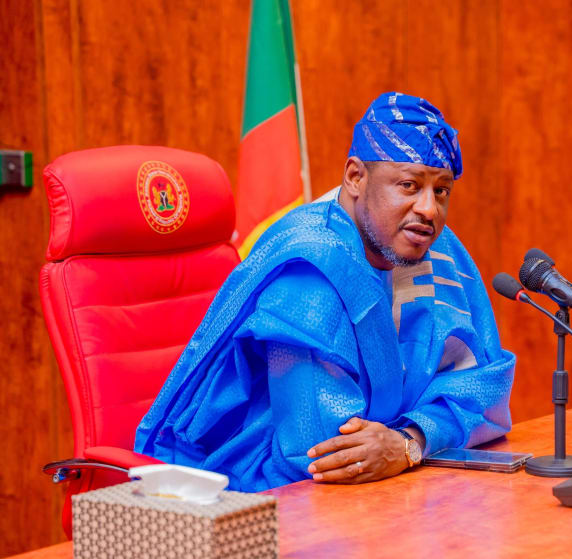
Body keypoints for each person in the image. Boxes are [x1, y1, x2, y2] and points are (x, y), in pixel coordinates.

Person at [135, 92, 516, 491]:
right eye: (408, 185)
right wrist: (419, 437)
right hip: (264, 490)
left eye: (441, 191)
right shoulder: (311, 267)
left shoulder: (440, 251)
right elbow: (326, 453)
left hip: (395, 486)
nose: (429, 210)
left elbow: (486, 389)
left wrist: (411, 440)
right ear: (355, 177)